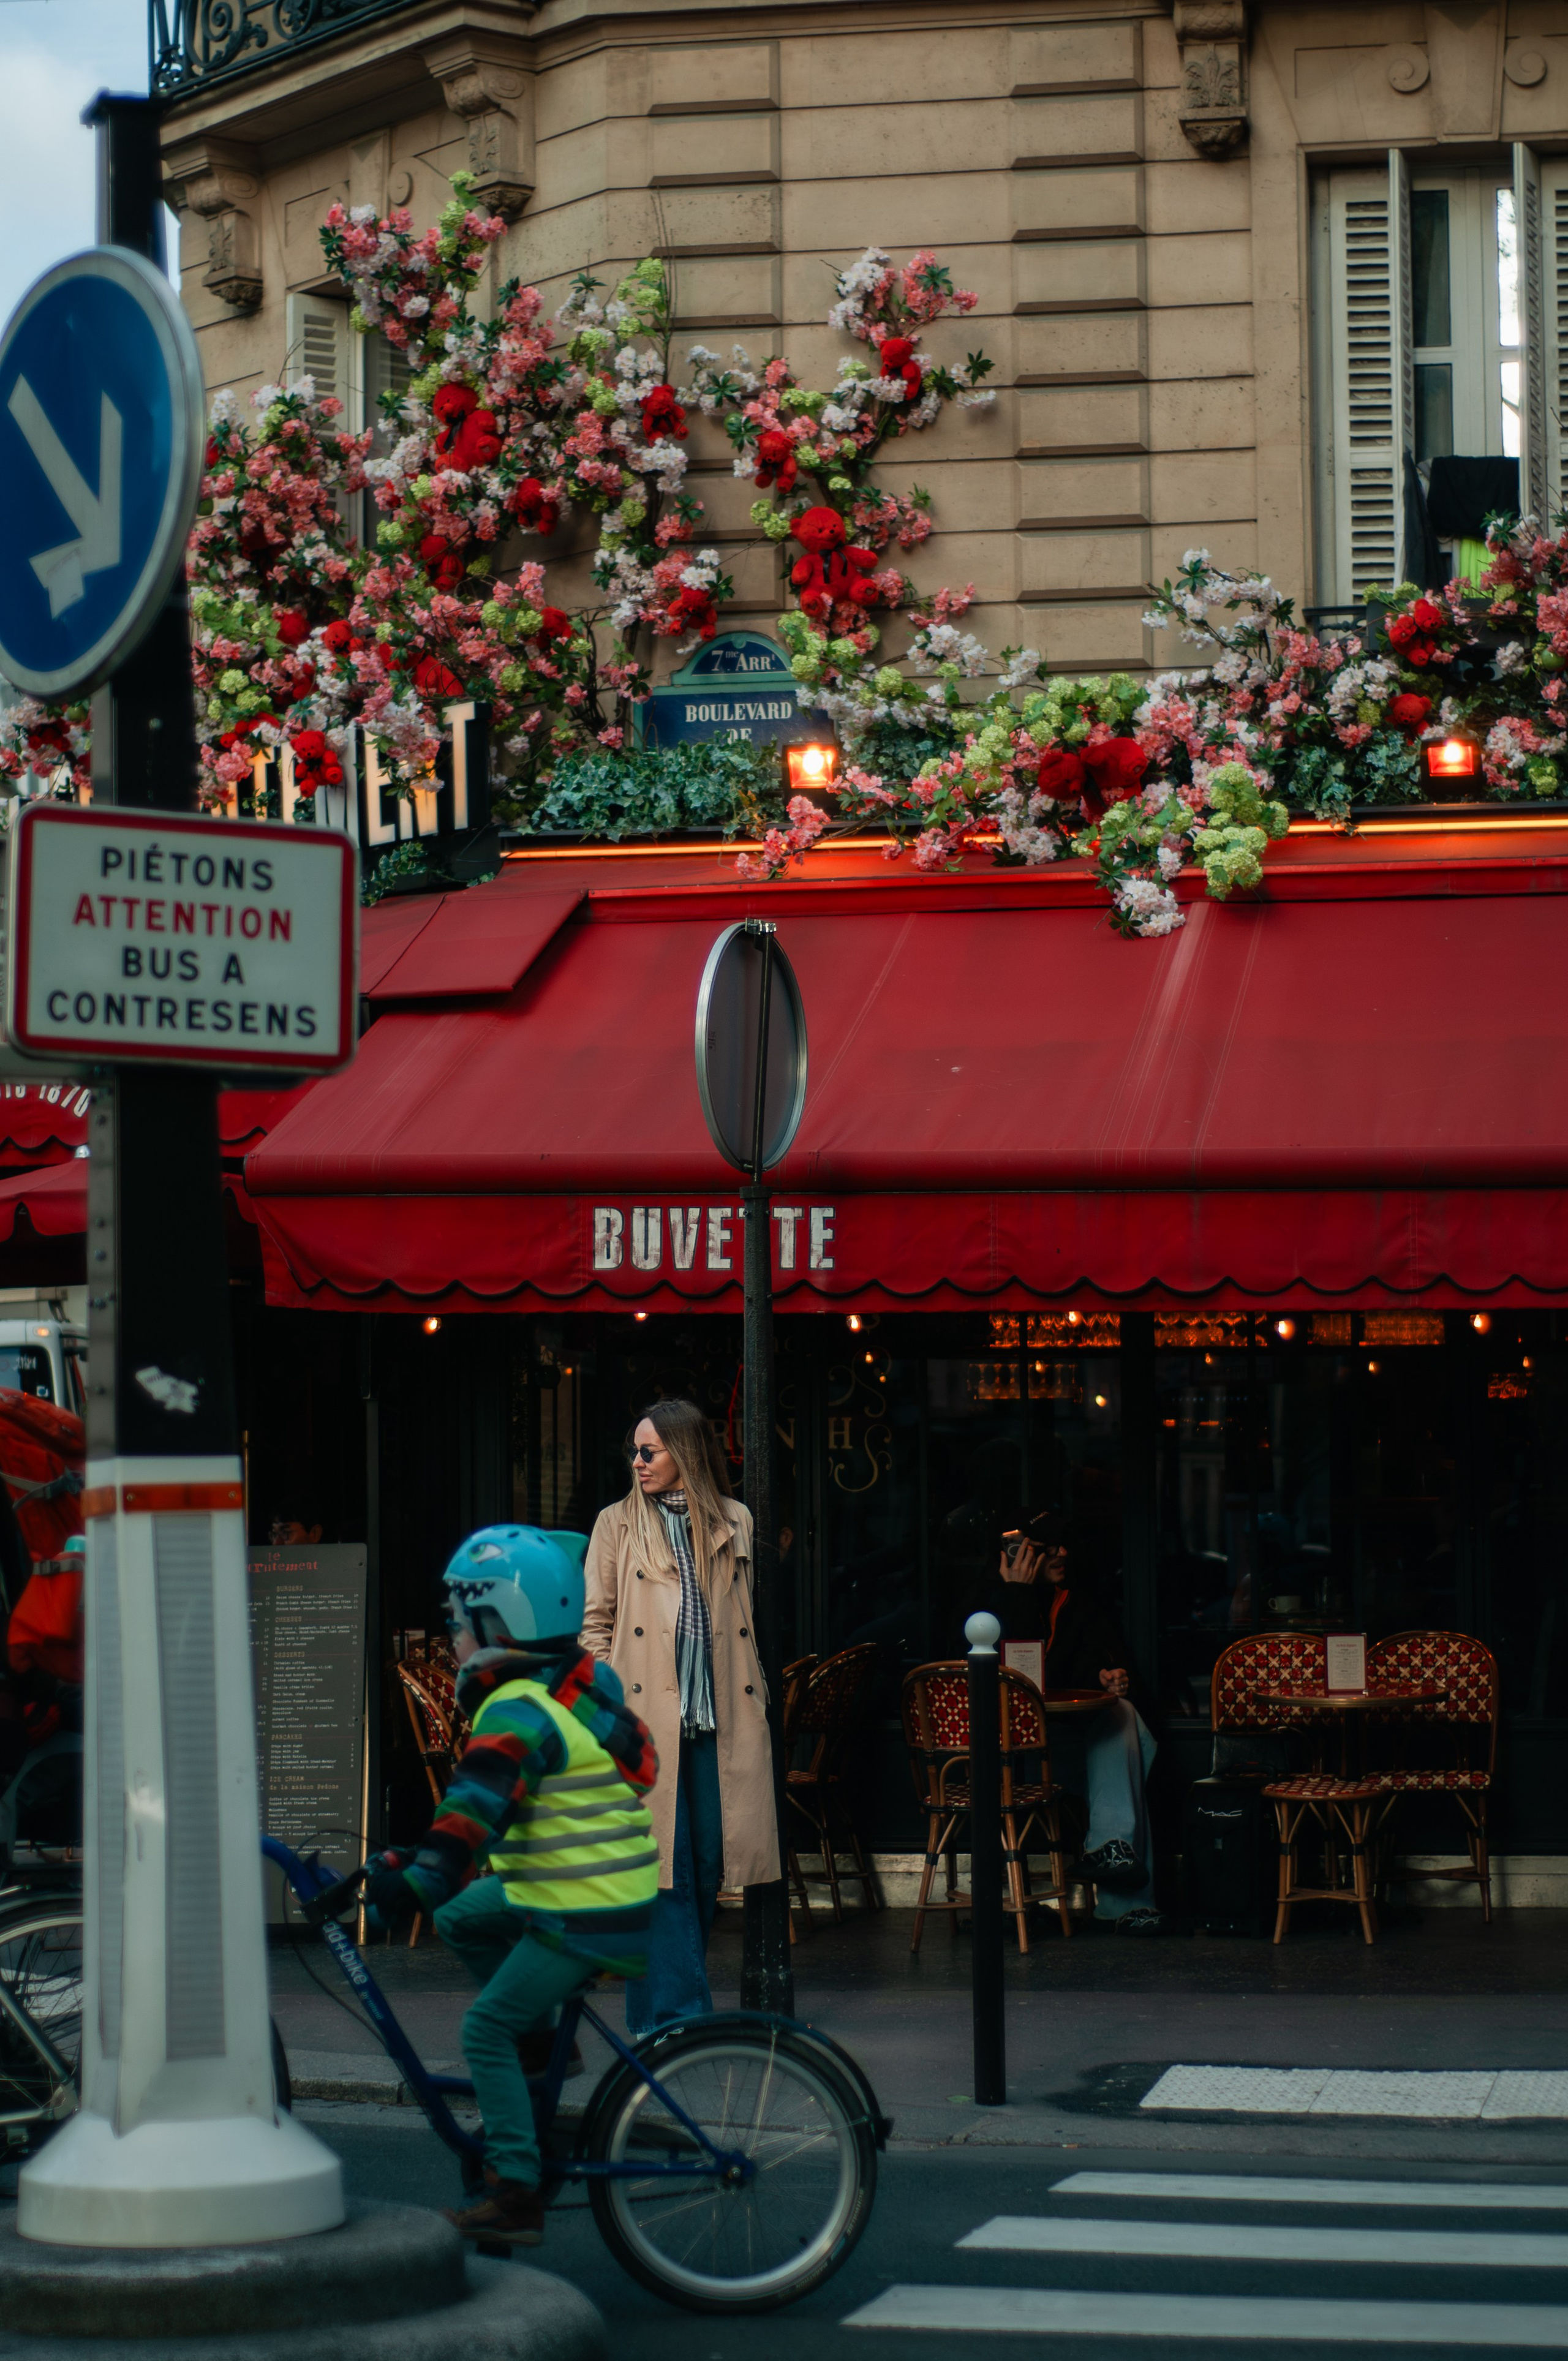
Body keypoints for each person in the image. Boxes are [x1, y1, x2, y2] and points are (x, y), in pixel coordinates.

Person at [363, 1524, 659, 2249]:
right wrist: (430, 1870)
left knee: (482, 2027)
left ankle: (514, 2192)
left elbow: (473, 1815)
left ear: (499, 1623)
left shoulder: (516, 1710)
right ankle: (542, 2040)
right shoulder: (567, 1687)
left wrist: (419, 1880)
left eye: (457, 1624)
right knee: (466, 1918)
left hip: (582, 1904)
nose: (451, 1639)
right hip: (587, 1884)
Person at [581, 1398, 778, 2036]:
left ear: (684, 1456)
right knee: (661, 1872)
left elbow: (744, 1621)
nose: (636, 1463)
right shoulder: (616, 1523)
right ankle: (676, 2020)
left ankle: (659, 2012)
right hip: (645, 1722)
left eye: (649, 1452)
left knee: (708, 1867)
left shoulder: (733, 1520)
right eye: (633, 1452)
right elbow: (595, 1623)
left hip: (720, 1719)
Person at [983, 1515, 1164, 1936]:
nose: (1062, 1553)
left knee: (1121, 1711)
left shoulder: (1074, 1601)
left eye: (1064, 1545)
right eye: (1049, 1547)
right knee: (1127, 1736)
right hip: (1011, 1753)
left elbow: (1081, 1662)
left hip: (1066, 1743)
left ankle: (1111, 1847)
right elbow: (1016, 1671)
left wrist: (1105, 1678)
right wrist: (1017, 1593)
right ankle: (1122, 1895)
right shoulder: (988, 1599)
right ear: (1021, 1551)